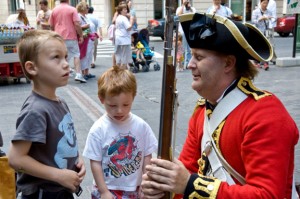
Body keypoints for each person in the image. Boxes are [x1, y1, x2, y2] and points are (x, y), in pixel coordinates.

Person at [141, 13, 299, 198]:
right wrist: (164, 187)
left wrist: (189, 185)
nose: (190, 64)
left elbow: (267, 195)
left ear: (228, 63)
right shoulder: (202, 112)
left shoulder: (266, 114)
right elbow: (188, 169)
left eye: (199, 57)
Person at [8, 29, 86, 199]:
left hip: (61, 189)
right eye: (55, 57)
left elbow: (64, 138)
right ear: (32, 67)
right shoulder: (36, 110)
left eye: (65, 57)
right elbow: (15, 158)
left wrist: (76, 160)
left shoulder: (59, 102)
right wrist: (58, 175)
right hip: (44, 193)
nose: (66, 63)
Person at [82, 66, 158, 199]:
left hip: (135, 188)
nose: (119, 111)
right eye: (112, 106)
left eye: (126, 105)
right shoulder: (98, 129)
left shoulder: (141, 126)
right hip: (108, 189)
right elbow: (95, 162)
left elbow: (147, 155)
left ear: (133, 98)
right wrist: (103, 191)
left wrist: (146, 183)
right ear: (101, 99)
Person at [49, 0, 87, 83]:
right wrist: (80, 35)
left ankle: (61, 73)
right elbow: (77, 24)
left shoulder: (54, 10)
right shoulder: (72, 9)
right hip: (71, 36)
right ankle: (78, 74)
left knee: (62, 55)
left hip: (58, 37)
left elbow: (51, 25)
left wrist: (54, 35)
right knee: (76, 54)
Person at [252, 0, 275, 70]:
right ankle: (256, 62)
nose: (265, 4)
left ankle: (265, 63)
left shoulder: (269, 12)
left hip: (266, 32)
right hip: (258, 32)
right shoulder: (255, 11)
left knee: (266, 47)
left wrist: (270, 19)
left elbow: (272, 20)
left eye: (267, 3)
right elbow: (253, 21)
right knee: (258, 48)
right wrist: (260, 19)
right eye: (264, 3)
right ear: (260, 3)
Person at [77, 2, 96, 80]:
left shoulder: (86, 16)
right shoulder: (79, 16)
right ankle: (83, 73)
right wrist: (84, 26)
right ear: (83, 8)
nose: (88, 9)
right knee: (83, 55)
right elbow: (76, 27)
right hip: (84, 38)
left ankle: (87, 72)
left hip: (89, 38)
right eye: (87, 7)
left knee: (89, 55)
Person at [176, 0, 196, 69]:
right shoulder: (180, 8)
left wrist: (190, 8)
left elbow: (194, 17)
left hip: (190, 30)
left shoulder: (192, 9)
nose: (186, 0)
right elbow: (179, 15)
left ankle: (188, 63)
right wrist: (183, 6)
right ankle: (181, 63)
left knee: (189, 48)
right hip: (182, 31)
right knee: (182, 48)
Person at [114, 3, 134, 69]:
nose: (126, 11)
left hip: (118, 38)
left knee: (118, 55)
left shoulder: (118, 18)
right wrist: (131, 20)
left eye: (126, 9)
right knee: (125, 57)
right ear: (121, 11)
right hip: (124, 39)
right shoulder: (123, 18)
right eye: (124, 9)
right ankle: (123, 73)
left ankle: (117, 72)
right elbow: (128, 27)